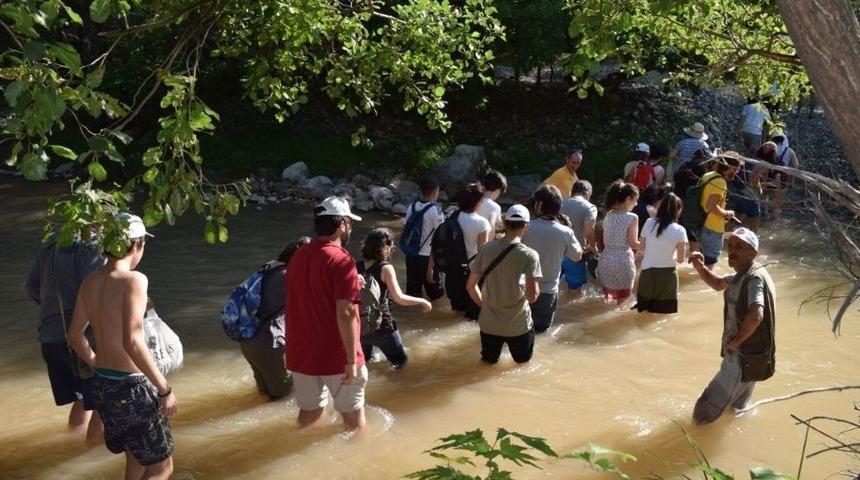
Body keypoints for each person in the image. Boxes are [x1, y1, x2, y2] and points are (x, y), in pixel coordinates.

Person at [67, 213, 177, 479]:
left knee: (136, 458)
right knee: (162, 467)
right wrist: (164, 389)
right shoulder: (135, 280)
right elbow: (132, 340)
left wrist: (96, 362)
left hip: (103, 384)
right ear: (136, 244)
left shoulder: (90, 281)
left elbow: (74, 336)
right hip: (132, 386)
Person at [285, 196, 367, 430]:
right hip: (336, 356)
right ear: (341, 225)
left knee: (309, 415)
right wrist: (351, 361)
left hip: (302, 354)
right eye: (350, 223)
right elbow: (346, 313)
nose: (350, 228)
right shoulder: (342, 261)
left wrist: (353, 283)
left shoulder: (297, 257)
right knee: (354, 424)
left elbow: (310, 294)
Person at [26, 231, 106, 444]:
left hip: (50, 337)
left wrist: (51, 312)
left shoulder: (51, 241)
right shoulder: (91, 245)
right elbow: (95, 292)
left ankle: (72, 447)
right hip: (79, 340)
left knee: (80, 399)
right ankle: (89, 464)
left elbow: (32, 287)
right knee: (102, 405)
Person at [690, 227, 776, 424]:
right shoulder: (749, 272)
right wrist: (700, 267)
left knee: (703, 413)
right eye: (730, 245)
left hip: (742, 355)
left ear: (753, 253)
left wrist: (735, 342)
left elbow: (756, 315)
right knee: (736, 409)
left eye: (739, 246)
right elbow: (719, 283)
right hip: (756, 356)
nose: (732, 251)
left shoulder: (753, 278)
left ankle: (691, 446)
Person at [466, 205, 542, 364]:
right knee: (522, 366)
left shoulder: (486, 249)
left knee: (488, 364)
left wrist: (485, 306)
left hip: (489, 324)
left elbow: (470, 286)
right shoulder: (530, 256)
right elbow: (532, 297)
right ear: (526, 227)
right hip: (518, 326)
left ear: (504, 223)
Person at [240, 237, 310, 400]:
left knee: (264, 395)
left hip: (247, 340)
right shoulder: (288, 276)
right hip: (269, 343)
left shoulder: (268, 268)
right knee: (285, 397)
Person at [358, 228, 432, 369]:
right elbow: (398, 298)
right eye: (391, 246)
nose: (392, 249)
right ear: (384, 247)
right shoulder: (385, 268)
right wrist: (422, 301)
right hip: (383, 327)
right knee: (401, 364)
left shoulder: (357, 266)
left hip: (361, 326)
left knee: (364, 364)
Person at [522, 186, 582, 333]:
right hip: (547, 292)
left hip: (523, 288)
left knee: (520, 332)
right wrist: (570, 230)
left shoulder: (525, 228)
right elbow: (577, 256)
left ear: (540, 204)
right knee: (540, 334)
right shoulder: (565, 232)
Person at [634, 193, 688, 314]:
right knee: (663, 315)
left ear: (660, 207)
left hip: (647, 274)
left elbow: (641, 248)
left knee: (643, 312)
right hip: (668, 276)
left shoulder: (648, 222)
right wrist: (670, 253)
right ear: (678, 211)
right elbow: (680, 259)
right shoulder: (680, 230)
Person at [445, 183, 491, 320]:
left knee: (457, 313)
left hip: (453, 271)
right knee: (472, 316)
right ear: (477, 202)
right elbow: (483, 253)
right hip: (472, 274)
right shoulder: (482, 223)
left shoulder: (451, 216)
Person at [596, 181, 640, 303]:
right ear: (627, 199)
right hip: (623, 261)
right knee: (623, 303)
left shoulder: (608, 215)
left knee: (608, 301)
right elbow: (633, 244)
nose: (636, 204)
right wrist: (650, 243)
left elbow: (605, 240)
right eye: (635, 200)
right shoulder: (632, 217)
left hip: (606, 260)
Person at [403, 176, 445, 300]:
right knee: (436, 295)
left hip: (411, 255)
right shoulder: (435, 210)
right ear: (435, 192)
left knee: (413, 295)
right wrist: (431, 267)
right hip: (427, 258)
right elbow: (439, 239)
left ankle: (412, 316)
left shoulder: (412, 206)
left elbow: (405, 226)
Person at [698, 156, 742, 270]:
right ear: (730, 167)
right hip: (713, 227)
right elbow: (712, 206)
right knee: (709, 264)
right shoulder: (720, 182)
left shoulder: (708, 175)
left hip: (700, 222)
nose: (736, 172)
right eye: (736, 169)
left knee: (701, 260)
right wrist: (727, 214)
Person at [560, 180, 598, 295]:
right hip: (574, 253)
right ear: (588, 193)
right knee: (575, 292)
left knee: (550, 286)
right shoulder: (589, 207)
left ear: (572, 191)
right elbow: (589, 231)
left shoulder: (559, 203)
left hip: (555, 251)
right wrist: (593, 248)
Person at [763, 134, 799, 219]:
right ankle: (774, 219)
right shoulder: (789, 151)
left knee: (765, 195)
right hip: (783, 177)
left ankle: (765, 213)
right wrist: (792, 178)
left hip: (769, 176)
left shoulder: (769, 149)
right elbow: (796, 165)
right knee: (778, 201)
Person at [477, 169, 507, 234]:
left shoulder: (474, 200)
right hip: (484, 241)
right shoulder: (495, 207)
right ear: (498, 190)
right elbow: (496, 227)